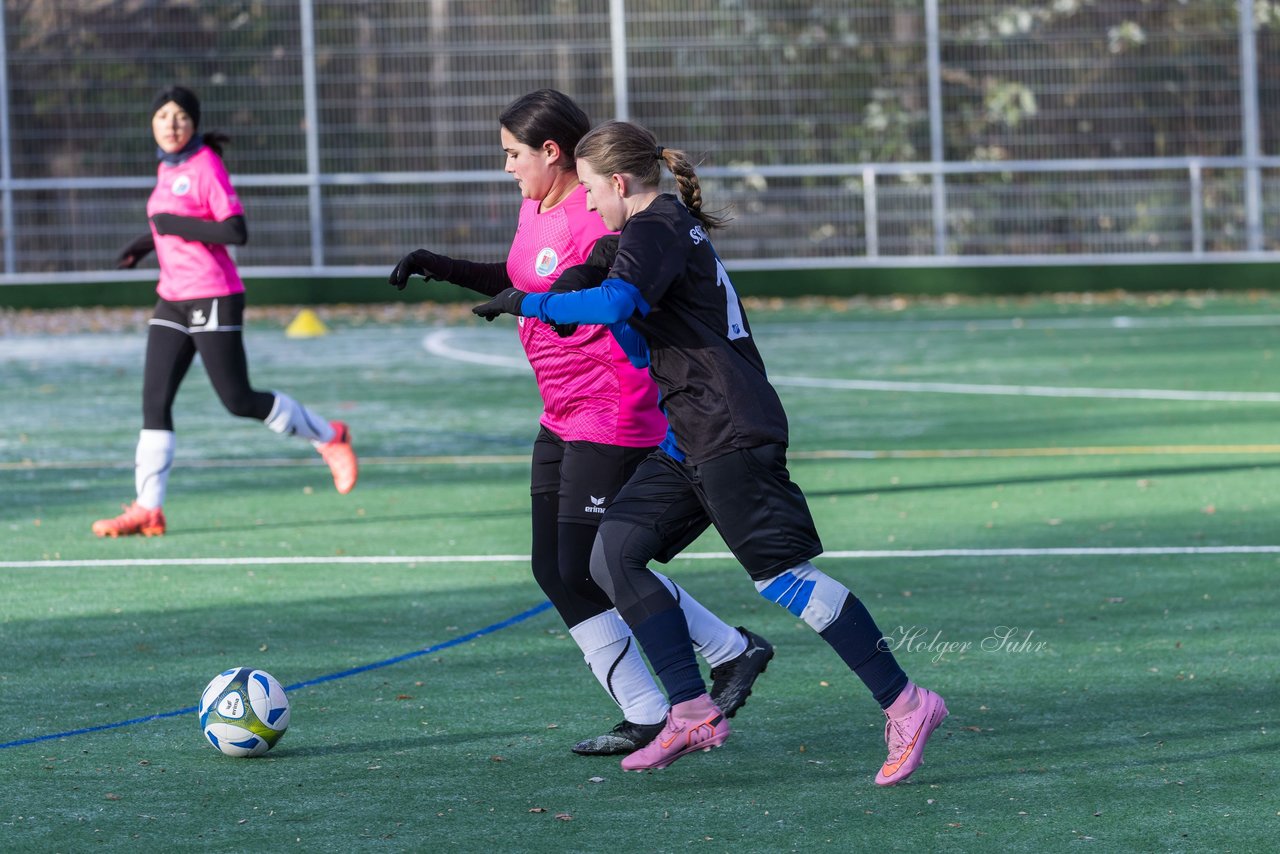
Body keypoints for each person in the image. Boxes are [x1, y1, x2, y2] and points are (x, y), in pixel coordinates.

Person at [471, 119, 948, 782]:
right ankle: (691, 711)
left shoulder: (655, 229)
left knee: (784, 579)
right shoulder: (647, 231)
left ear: (618, 182)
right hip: (687, 435)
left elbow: (612, 303)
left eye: (588, 191)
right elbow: (609, 289)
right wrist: (551, 289)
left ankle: (908, 702)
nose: (585, 205)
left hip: (730, 429)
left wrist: (533, 305)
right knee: (614, 554)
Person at [388, 89, 773, 756]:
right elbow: (523, 282)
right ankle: (647, 710)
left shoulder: (598, 215)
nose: (506, 166)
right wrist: (442, 268)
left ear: (551, 151)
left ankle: (730, 650)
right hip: (560, 409)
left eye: (512, 154)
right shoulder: (533, 205)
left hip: (612, 404)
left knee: (595, 563)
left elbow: (611, 297)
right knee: (554, 567)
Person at [93, 85, 357, 538]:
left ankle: (329, 436)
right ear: (152, 124)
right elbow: (171, 223)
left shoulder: (205, 165)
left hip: (213, 295)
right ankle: (148, 508)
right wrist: (143, 245)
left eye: (180, 116)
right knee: (154, 402)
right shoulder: (166, 166)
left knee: (238, 400)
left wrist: (171, 226)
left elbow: (235, 230)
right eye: (162, 117)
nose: (171, 124)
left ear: (193, 123)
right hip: (172, 297)